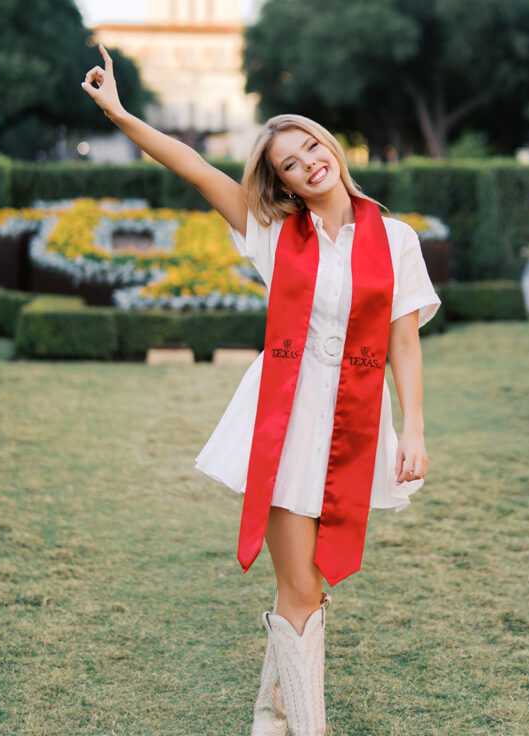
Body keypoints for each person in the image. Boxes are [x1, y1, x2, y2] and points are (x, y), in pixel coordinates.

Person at [81, 45, 440, 736]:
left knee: (307, 583)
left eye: (311, 146)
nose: (309, 162)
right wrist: (120, 114)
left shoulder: (394, 239)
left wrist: (415, 427)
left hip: (355, 423)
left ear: (329, 145)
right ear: (283, 184)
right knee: (300, 586)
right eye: (290, 164)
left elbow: (403, 341)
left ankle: (270, 716)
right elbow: (191, 165)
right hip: (284, 420)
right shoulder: (272, 232)